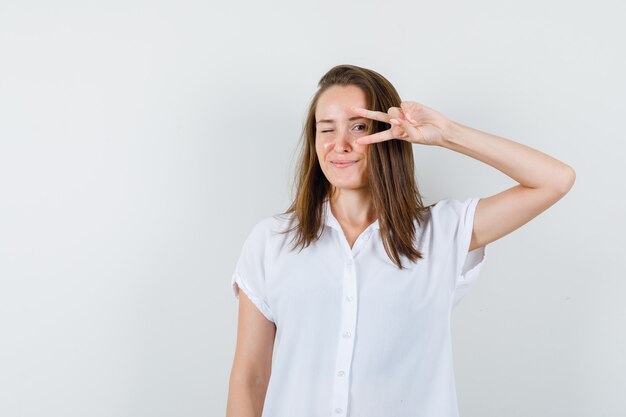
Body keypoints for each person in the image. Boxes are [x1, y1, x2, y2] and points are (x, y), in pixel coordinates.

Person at [225, 64, 575, 417]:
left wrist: (446, 133)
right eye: (326, 129)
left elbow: (555, 180)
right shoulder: (271, 242)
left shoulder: (441, 233)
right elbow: (251, 378)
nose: (340, 145)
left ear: (390, 134)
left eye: (358, 127)